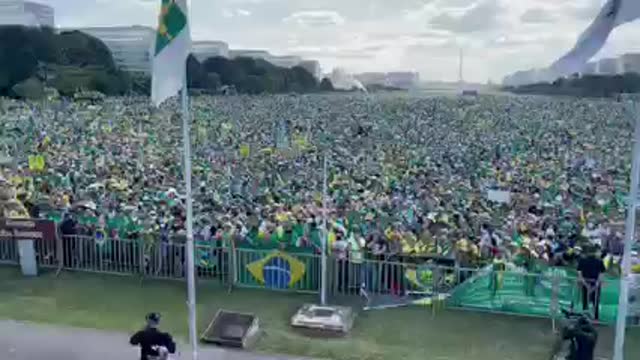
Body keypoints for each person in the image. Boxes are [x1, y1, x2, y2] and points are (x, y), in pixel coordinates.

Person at [577, 246, 606, 320]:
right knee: (595, 300)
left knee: (585, 300)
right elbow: (601, 274)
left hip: (585, 283)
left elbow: (579, 273)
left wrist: (585, 284)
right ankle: (596, 317)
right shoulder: (599, 261)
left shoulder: (582, 260)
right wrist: (597, 284)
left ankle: (584, 316)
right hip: (595, 283)